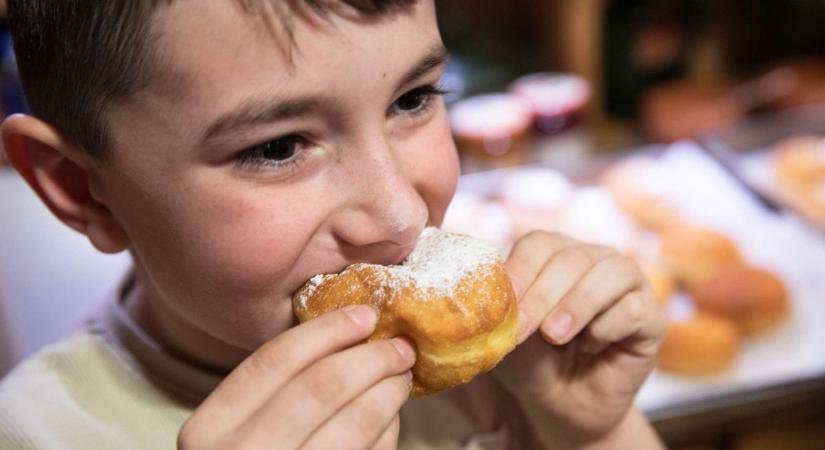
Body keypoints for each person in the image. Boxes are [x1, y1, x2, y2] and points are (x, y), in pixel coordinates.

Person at [0, 1, 666, 448]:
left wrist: (590, 434)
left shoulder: (509, 372)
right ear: (82, 190)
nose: (400, 214)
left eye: (413, 99)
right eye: (277, 147)